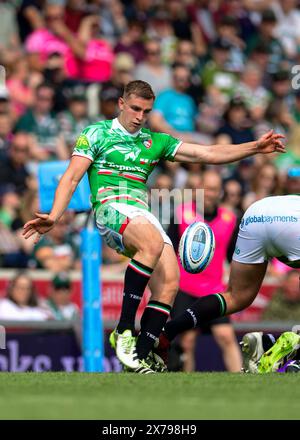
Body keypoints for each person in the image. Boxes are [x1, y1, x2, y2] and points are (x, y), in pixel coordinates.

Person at [22, 80, 285, 374]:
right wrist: (54, 215)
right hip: (110, 207)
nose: (139, 116)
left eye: (145, 111)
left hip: (141, 213)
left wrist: (255, 147)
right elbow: (71, 177)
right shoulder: (95, 134)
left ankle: (142, 355)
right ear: (121, 104)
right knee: (150, 243)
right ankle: (123, 331)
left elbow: (205, 154)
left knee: (171, 279)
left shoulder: (154, 141)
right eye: (134, 108)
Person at [157, 195, 300, 369]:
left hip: (256, 213)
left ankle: (167, 332)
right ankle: (285, 352)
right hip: (291, 222)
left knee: (236, 297)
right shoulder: (184, 212)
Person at [168, 170, 242, 372]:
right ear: (198, 189)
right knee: (188, 340)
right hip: (184, 288)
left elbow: (235, 257)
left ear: (220, 192)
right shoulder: (181, 214)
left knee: (226, 336)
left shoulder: (230, 219)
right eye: (207, 188)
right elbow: (168, 249)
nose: (211, 193)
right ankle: (187, 386)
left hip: (214, 289)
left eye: (215, 189)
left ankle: (241, 379)